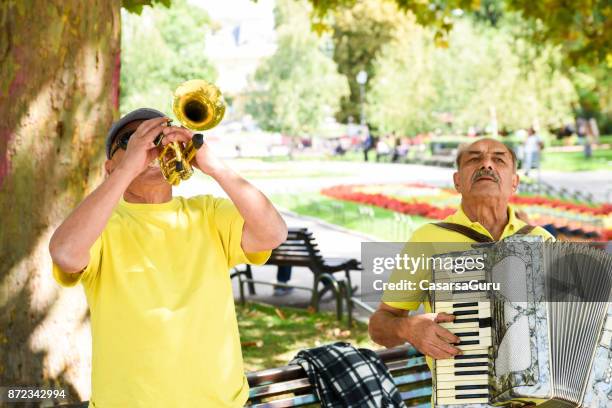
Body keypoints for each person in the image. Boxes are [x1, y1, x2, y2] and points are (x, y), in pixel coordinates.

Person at [48, 108, 288, 407]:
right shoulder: (100, 226)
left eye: (159, 137)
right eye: (130, 140)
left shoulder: (208, 213)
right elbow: (65, 253)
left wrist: (216, 168)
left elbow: (272, 234)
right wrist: (128, 171)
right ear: (110, 168)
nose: (149, 146)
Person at [368, 138, 553, 361]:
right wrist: (407, 328)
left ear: (514, 182)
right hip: (466, 392)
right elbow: (379, 326)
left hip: (544, 393)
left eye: (499, 159)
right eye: (474, 159)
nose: (487, 164)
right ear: (457, 182)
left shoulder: (542, 240)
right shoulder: (428, 239)